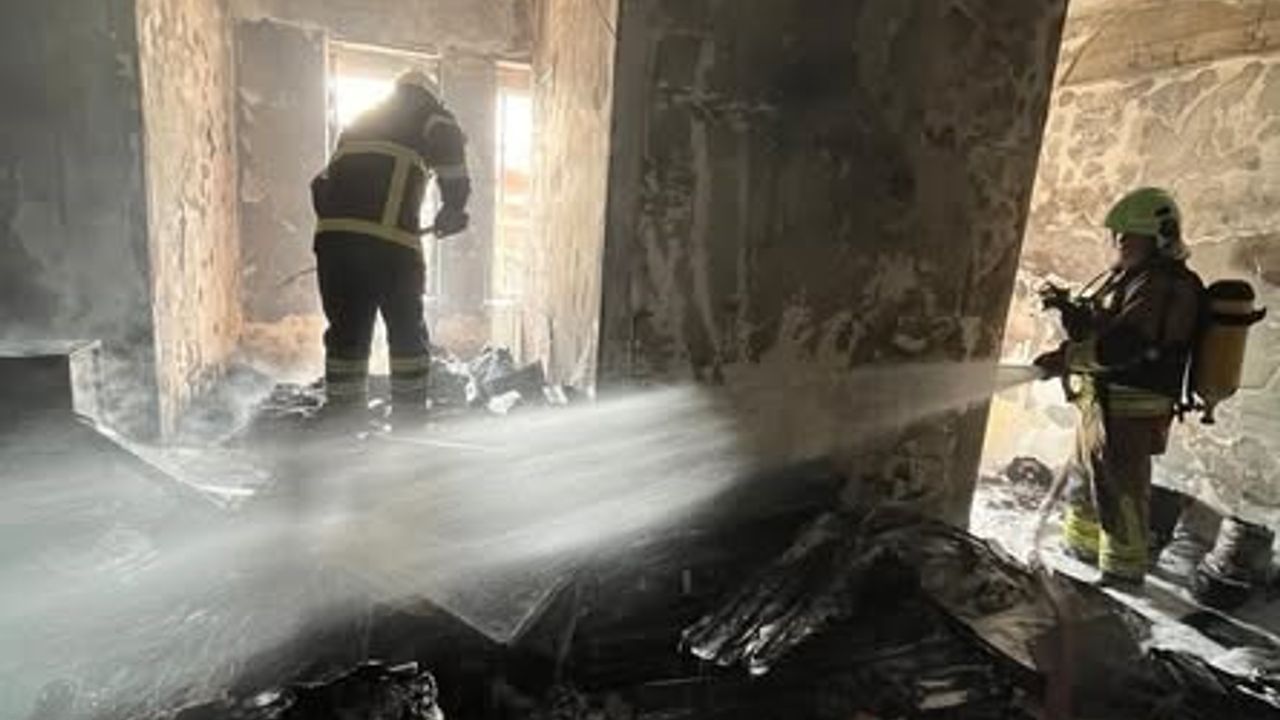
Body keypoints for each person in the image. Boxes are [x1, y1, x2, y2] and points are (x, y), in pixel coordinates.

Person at [1034, 187, 1202, 588]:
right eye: (1117, 235)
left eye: (1128, 236)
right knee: (1087, 477)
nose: (1119, 243)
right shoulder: (1132, 278)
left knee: (1120, 488)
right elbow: (1102, 329)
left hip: (1132, 404)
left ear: (1160, 236)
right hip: (1103, 400)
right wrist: (1069, 311)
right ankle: (1082, 547)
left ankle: (1123, 571)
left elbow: (1124, 345)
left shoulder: (1162, 283)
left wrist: (1065, 359)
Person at [309, 70, 471, 421]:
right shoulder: (428, 113)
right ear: (429, 94)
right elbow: (449, 146)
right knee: (406, 333)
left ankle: (343, 423)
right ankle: (409, 422)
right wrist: (454, 206)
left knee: (347, 335)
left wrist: (343, 233)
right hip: (389, 247)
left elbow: (319, 185)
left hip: (333, 249)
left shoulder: (359, 122)